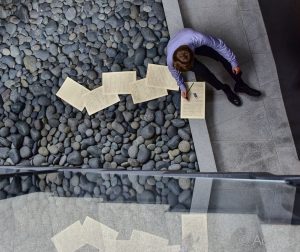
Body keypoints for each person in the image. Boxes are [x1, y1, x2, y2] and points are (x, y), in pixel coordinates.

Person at [167, 28, 261, 106]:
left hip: (192, 42)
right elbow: (174, 72)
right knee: (203, 72)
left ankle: (240, 84)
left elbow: (220, 45)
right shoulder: (171, 59)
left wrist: (234, 62)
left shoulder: (199, 38)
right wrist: (182, 87)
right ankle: (225, 89)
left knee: (224, 58)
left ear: (193, 54)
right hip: (178, 47)